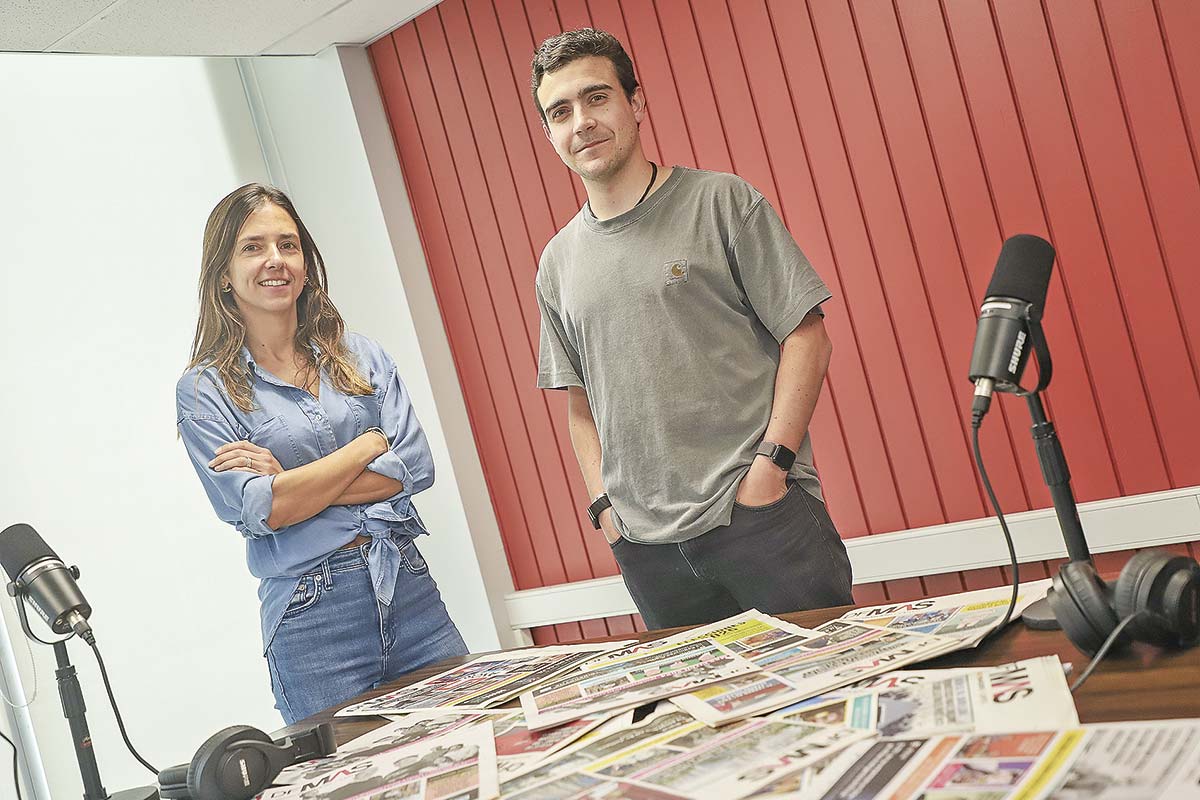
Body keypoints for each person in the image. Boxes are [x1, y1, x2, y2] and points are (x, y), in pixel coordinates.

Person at [531, 29, 853, 629]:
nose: (582, 123)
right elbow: (581, 399)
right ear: (550, 133)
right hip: (648, 551)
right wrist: (605, 507)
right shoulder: (557, 263)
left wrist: (771, 469)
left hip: (760, 518)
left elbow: (808, 336)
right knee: (712, 719)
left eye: (597, 98)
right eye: (561, 111)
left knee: (836, 695)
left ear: (636, 101)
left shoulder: (722, 203)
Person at [176, 184, 467, 724]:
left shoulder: (361, 356)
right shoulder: (204, 391)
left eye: (288, 244)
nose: (275, 260)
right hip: (312, 620)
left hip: (410, 592)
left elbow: (415, 467)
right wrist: (366, 445)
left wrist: (290, 478)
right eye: (252, 247)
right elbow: (264, 510)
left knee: (472, 756)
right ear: (222, 273)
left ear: (306, 263)